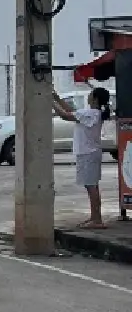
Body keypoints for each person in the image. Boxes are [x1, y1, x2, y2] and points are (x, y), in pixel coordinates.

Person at [52, 86, 110, 228]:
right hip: (89, 152)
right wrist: (56, 98)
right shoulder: (93, 113)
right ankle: (94, 217)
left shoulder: (91, 113)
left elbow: (65, 115)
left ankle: (97, 220)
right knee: (91, 185)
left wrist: (51, 102)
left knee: (91, 186)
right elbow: (71, 112)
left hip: (88, 153)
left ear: (95, 99)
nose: (88, 97)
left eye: (90, 95)